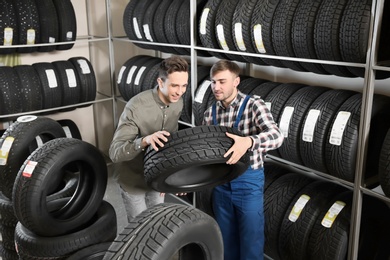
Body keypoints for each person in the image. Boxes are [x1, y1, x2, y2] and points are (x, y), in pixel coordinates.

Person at [202, 60, 284, 260]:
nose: (216, 87)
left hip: (248, 185)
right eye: (213, 82)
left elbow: (277, 136)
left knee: (251, 242)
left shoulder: (253, 105)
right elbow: (204, 149)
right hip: (221, 185)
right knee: (226, 242)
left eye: (222, 81)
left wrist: (248, 141)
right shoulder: (210, 113)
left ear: (236, 81)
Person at [109, 55, 189, 221]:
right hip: (133, 178)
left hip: (156, 177)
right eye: (175, 85)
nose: (180, 91)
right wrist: (145, 140)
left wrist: (172, 177)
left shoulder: (178, 102)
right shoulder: (135, 106)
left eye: (184, 86)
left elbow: (170, 144)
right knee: (139, 230)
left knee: (157, 223)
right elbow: (115, 153)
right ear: (160, 82)